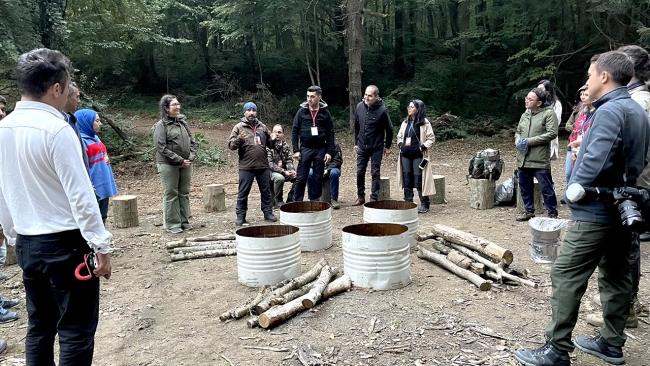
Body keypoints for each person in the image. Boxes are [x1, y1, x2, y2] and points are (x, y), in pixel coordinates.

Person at [514, 51, 649, 366]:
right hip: (625, 208)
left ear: (604, 76)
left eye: (590, 75)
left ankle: (557, 350)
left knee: (565, 274)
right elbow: (638, 160)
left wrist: (575, 191)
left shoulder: (609, 110)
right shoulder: (636, 109)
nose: (587, 81)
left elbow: (596, 160)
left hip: (596, 212)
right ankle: (611, 344)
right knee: (617, 275)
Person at [0, 48, 112, 365]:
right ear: (57, 88)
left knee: (40, 326)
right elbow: (81, 196)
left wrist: (13, 235)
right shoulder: (58, 129)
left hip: (27, 243)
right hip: (65, 245)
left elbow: (2, 190)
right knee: (75, 329)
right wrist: (101, 246)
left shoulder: (2, 129)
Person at [581, 45, 650, 330]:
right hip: (627, 184)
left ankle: (627, 309)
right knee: (623, 250)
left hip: (633, 185)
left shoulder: (638, 103)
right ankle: (623, 309)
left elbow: (630, 147)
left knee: (625, 251)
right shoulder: (630, 100)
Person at [153, 95, 198, 234]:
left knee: (184, 193)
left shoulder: (182, 122)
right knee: (171, 193)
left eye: (178, 104)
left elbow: (193, 141)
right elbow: (161, 147)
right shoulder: (160, 126)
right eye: (174, 105)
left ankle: (184, 221)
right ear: (166, 108)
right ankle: (173, 224)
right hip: (168, 165)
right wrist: (179, 160)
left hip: (186, 163)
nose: (178, 107)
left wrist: (190, 157)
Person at [514, 88, 559, 221]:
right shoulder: (525, 114)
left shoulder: (549, 114)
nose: (526, 101)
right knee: (525, 187)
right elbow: (518, 131)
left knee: (546, 188)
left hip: (539, 159)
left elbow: (552, 133)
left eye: (530, 99)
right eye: (526, 98)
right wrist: (517, 139)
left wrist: (529, 141)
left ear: (539, 103)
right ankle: (529, 211)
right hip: (523, 158)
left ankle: (552, 213)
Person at [229, 102, 276, 226]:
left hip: (263, 165)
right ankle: (241, 216)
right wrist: (239, 139)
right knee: (243, 192)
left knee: (266, 191)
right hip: (246, 166)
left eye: (254, 110)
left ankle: (268, 212)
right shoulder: (238, 127)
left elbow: (270, 145)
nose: (251, 113)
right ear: (244, 112)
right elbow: (231, 146)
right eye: (248, 110)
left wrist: (273, 139)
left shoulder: (262, 127)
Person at [291, 86, 335, 202]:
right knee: (301, 177)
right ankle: (297, 202)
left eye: (312, 96)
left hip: (320, 148)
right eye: (307, 96)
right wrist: (296, 150)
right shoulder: (301, 112)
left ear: (319, 97)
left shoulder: (325, 113)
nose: (309, 99)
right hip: (305, 148)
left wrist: (329, 152)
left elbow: (331, 133)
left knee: (317, 177)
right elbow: (295, 130)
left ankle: (315, 202)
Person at [75, 109, 119, 225]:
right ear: (86, 122)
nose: (100, 124)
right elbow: (81, 167)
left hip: (103, 183)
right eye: (97, 121)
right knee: (93, 219)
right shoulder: (81, 141)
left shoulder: (95, 138)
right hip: (93, 186)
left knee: (103, 215)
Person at [353, 85, 393, 205]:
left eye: (370, 96)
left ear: (376, 96)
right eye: (365, 95)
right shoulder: (360, 107)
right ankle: (361, 196)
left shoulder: (382, 110)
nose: (366, 97)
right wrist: (356, 143)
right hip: (361, 146)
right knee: (360, 172)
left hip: (376, 147)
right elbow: (356, 127)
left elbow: (390, 130)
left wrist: (387, 147)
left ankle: (373, 198)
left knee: (375, 173)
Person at [396, 100, 436, 213]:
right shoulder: (405, 122)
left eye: (412, 107)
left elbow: (431, 139)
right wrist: (400, 145)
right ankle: (408, 202)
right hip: (405, 155)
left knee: (419, 178)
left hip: (418, 155)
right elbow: (399, 136)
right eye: (408, 106)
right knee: (407, 178)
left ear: (418, 109)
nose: (409, 108)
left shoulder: (425, 123)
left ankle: (425, 204)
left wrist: (421, 147)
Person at [564, 85, 594, 184]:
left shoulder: (597, 112)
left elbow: (591, 133)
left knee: (579, 174)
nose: (582, 97)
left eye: (585, 94)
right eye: (581, 94)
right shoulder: (581, 111)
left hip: (585, 147)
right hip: (573, 144)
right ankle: (569, 194)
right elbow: (568, 125)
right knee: (569, 173)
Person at [267, 124, 296, 208]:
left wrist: (292, 170)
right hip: (270, 171)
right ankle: (278, 200)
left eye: (279, 132)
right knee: (279, 178)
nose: (277, 134)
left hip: (284, 170)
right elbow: (270, 164)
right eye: (275, 132)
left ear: (283, 134)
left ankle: (291, 199)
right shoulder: (268, 145)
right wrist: (284, 172)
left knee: (299, 177)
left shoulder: (285, 146)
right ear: (271, 133)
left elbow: (289, 160)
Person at [308, 140, 343, 208]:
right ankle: (312, 199)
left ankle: (334, 199)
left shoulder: (335, 144)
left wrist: (328, 169)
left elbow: (338, 160)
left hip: (332, 168)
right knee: (309, 174)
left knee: (334, 173)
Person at [537, 79, 562, 162]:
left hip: (548, 136)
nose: (539, 91)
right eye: (538, 88)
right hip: (535, 136)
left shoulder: (556, 104)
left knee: (545, 164)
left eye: (541, 89)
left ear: (548, 89)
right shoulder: (536, 103)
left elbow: (556, 122)